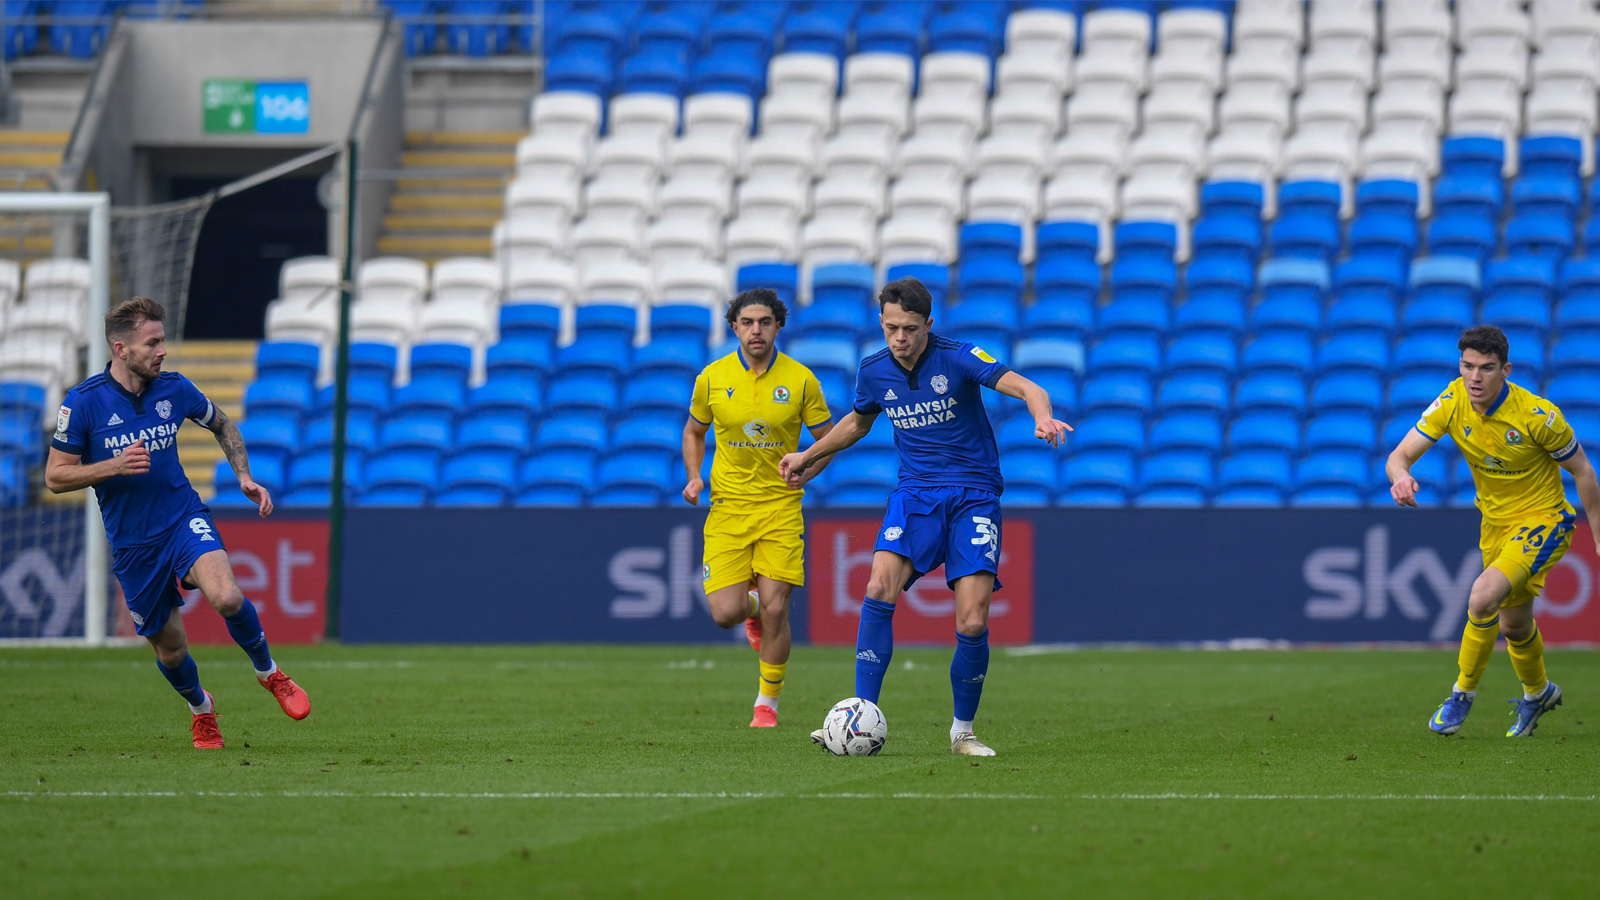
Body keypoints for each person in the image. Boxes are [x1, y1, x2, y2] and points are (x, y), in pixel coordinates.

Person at [780, 278, 1069, 756]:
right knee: (877, 586)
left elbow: (1026, 386)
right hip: (916, 494)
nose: (900, 339)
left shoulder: (958, 357)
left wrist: (1041, 416)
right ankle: (860, 714)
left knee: (973, 619)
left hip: (975, 496)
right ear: (881, 323)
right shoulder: (873, 371)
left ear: (928, 325)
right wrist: (807, 456)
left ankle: (963, 733)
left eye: (910, 329)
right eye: (892, 328)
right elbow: (856, 422)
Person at [45, 297, 310, 749]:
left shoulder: (174, 389)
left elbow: (222, 424)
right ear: (121, 349)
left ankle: (270, 673)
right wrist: (112, 466)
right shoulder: (83, 403)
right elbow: (55, 476)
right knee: (171, 650)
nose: (162, 350)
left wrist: (243, 476)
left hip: (182, 518)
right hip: (133, 544)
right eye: (152, 343)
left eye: (162, 341)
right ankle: (202, 711)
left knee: (227, 596)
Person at [1386, 325, 1600, 737]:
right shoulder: (1452, 400)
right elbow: (1399, 456)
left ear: (1506, 370)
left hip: (1544, 521)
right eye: (1467, 366)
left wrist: (1598, 532)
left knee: (1481, 597)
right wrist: (1400, 477)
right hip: (1495, 525)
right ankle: (1538, 693)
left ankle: (1461, 694)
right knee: (1513, 626)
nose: (1475, 378)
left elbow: (1583, 471)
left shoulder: (1538, 415)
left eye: (1486, 368)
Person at [683, 288, 835, 728]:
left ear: (777, 327)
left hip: (780, 507)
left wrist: (806, 472)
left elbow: (828, 442)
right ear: (734, 327)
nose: (756, 330)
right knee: (725, 613)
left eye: (764, 322)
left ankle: (766, 704)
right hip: (728, 507)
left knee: (776, 608)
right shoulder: (712, 378)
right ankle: (748, 610)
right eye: (747, 323)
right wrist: (694, 476)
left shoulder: (801, 380)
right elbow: (694, 432)